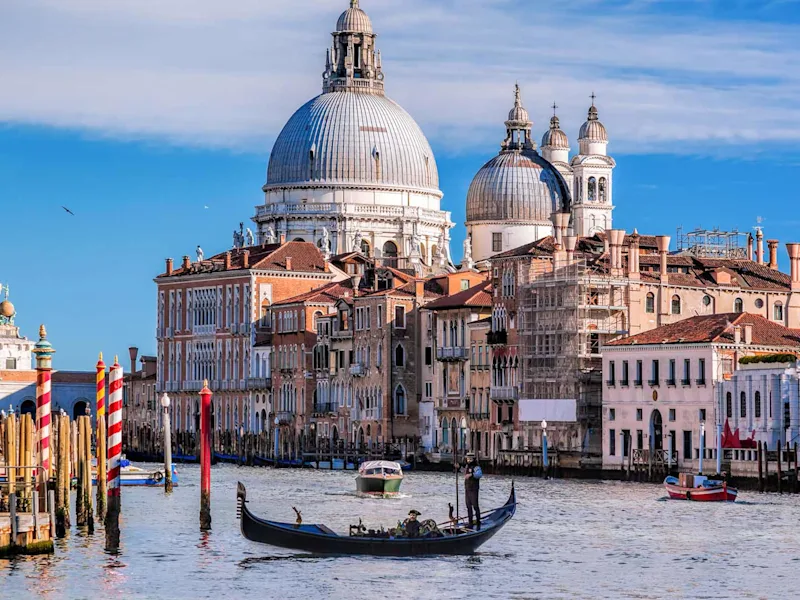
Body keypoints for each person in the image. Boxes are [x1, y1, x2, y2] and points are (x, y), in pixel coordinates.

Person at [464, 451, 482, 529]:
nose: (468, 460)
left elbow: (479, 474)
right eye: (468, 459)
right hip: (467, 489)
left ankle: (478, 521)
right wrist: (458, 467)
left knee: (475, 506)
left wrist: (471, 475)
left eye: (470, 459)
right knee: (468, 506)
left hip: (474, 489)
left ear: (473, 459)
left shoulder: (476, 467)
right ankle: (470, 522)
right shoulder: (467, 467)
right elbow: (464, 473)